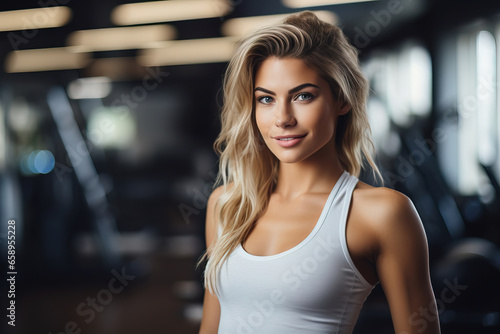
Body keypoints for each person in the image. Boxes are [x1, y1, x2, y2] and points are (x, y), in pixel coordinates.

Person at [198, 11, 440, 334]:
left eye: (303, 96)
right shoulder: (227, 205)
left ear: (341, 99)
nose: (282, 118)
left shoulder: (382, 214)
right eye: (266, 99)